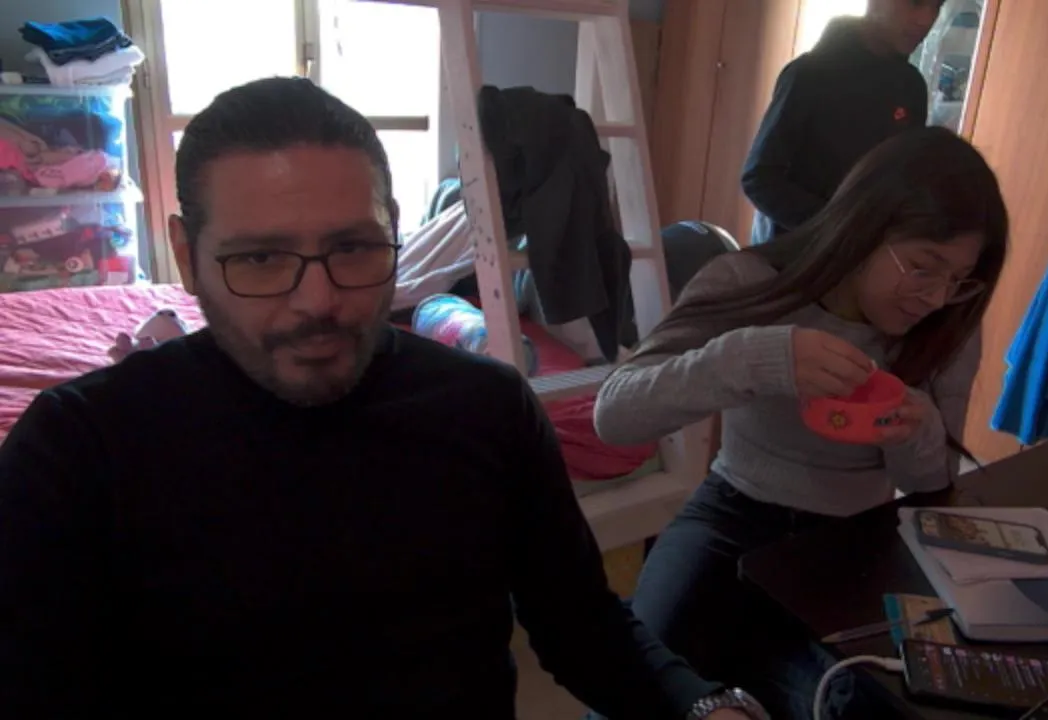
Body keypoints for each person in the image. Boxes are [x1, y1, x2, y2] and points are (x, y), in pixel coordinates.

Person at [0, 77, 764, 720]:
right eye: (260, 259)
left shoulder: (488, 408)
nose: (318, 302)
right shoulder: (78, 450)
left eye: (354, 248)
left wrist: (705, 707)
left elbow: (582, 625)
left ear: (395, 233)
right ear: (185, 254)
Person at [594, 127, 1009, 719]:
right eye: (924, 266)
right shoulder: (749, 282)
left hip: (857, 539)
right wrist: (753, 358)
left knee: (864, 703)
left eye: (958, 278)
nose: (937, 297)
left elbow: (930, 483)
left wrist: (917, 431)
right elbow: (615, 413)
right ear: (864, 228)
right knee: (636, 683)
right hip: (732, 514)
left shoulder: (949, 326)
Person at [742, 0, 944, 245]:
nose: (926, 20)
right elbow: (759, 179)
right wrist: (837, 228)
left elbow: (905, 176)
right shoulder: (810, 73)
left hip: (865, 255)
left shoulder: (911, 86)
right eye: (915, 3)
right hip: (793, 254)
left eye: (937, 6)